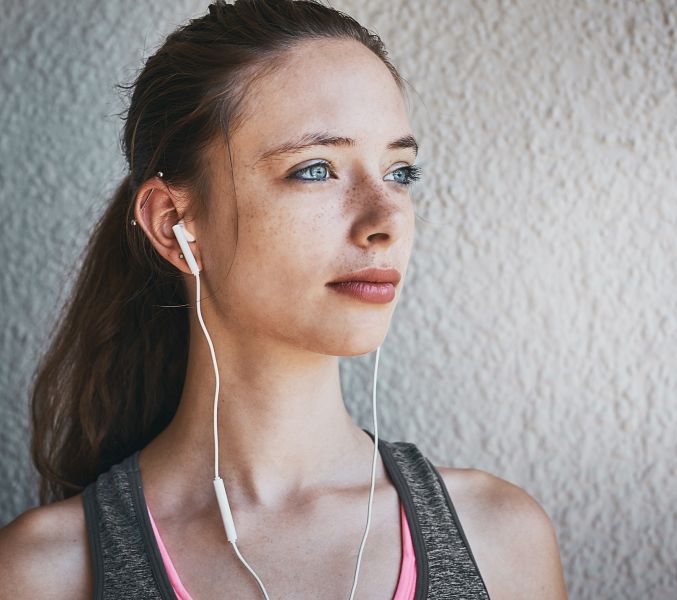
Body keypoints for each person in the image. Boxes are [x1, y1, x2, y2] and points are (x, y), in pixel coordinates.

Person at [0, 1, 568, 598]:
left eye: (400, 172)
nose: (386, 220)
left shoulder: (501, 542)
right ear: (173, 223)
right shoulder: (43, 574)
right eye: (316, 169)